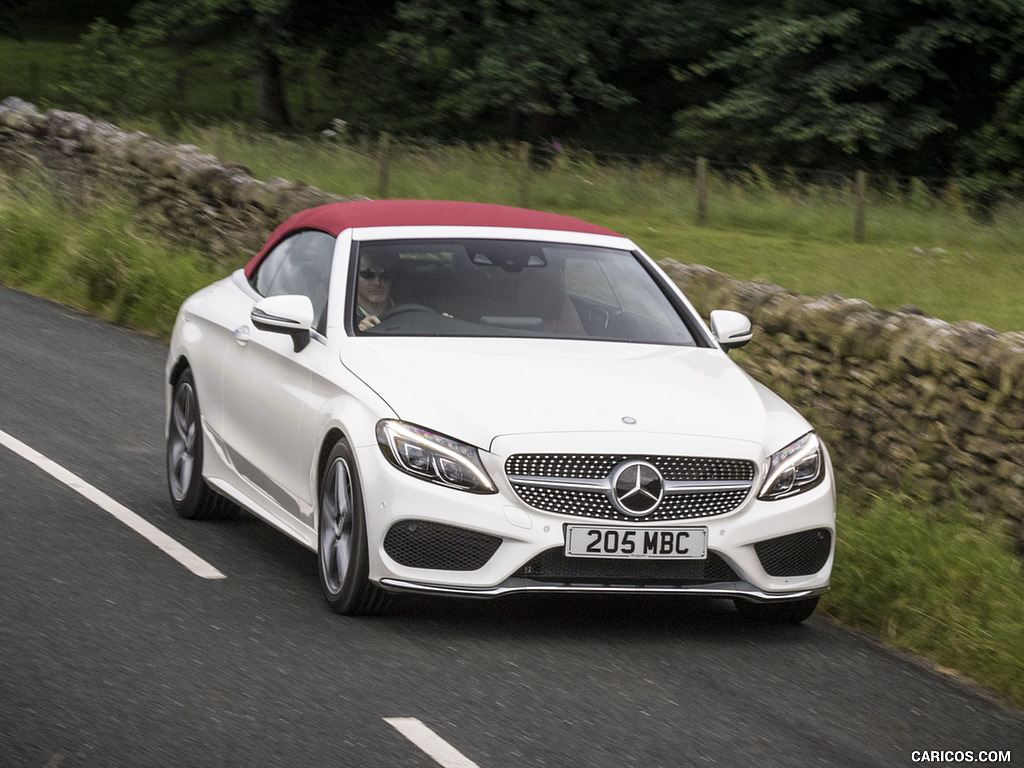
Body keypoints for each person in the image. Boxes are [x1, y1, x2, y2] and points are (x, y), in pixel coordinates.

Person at [355, 255, 395, 331]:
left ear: (392, 278)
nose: (377, 282)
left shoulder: (409, 314)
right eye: (368, 274)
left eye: (385, 274)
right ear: (354, 277)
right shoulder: (341, 317)